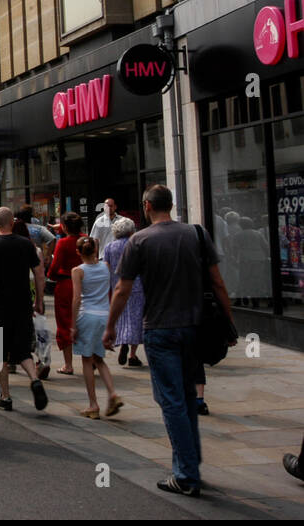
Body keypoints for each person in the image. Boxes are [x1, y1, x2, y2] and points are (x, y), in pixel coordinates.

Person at [105, 184, 235, 498]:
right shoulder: (197, 234)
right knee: (187, 397)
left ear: (147, 206)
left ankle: (186, 474)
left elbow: (122, 290)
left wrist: (110, 328)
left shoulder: (140, 240)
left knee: (171, 401)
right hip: (194, 327)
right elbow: (217, 282)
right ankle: (190, 464)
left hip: (160, 329)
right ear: (172, 205)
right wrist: (230, 324)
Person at [0, 207, 49, 412]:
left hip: (0, 305)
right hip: (23, 303)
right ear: (12, 223)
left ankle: (5, 396)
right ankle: (34, 380)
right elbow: (39, 275)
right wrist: (39, 300)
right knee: (23, 349)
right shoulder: (26, 244)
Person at [71, 235, 123, 420]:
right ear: (95, 250)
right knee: (99, 359)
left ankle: (93, 404)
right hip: (104, 315)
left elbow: (77, 298)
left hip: (87, 316)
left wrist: (72, 325)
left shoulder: (78, 271)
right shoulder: (105, 267)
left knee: (87, 361)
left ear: (78, 252)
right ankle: (112, 394)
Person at [102, 217, 145, 367]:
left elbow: (106, 267)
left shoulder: (109, 247)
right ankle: (133, 354)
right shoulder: (136, 245)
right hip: (137, 285)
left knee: (120, 316)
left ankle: (122, 341)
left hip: (117, 286)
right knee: (136, 318)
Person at [47, 211, 85, 375]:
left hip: (66, 283)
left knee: (64, 323)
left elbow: (54, 268)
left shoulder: (62, 243)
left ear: (64, 226)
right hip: (85, 284)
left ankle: (68, 364)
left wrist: (51, 276)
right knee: (85, 321)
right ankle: (91, 359)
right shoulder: (85, 239)